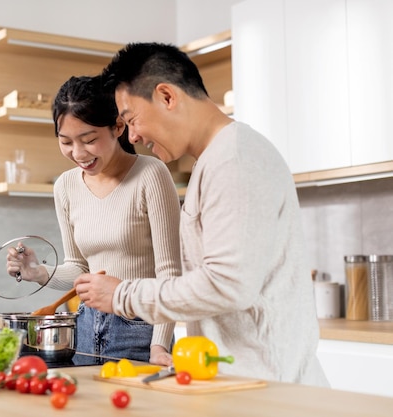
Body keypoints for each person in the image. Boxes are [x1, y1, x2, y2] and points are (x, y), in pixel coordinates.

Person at [74, 43, 329, 387]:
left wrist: (123, 295)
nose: (133, 136)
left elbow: (227, 285)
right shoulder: (214, 160)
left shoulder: (235, 159)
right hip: (240, 384)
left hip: (270, 393)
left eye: (131, 119)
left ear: (167, 96)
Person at [7, 75, 182, 365]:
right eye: (66, 142)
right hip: (86, 327)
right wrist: (37, 271)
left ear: (118, 126)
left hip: (140, 330)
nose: (78, 153)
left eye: (89, 140)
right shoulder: (65, 186)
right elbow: (79, 269)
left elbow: (170, 272)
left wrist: (159, 345)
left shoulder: (151, 174)